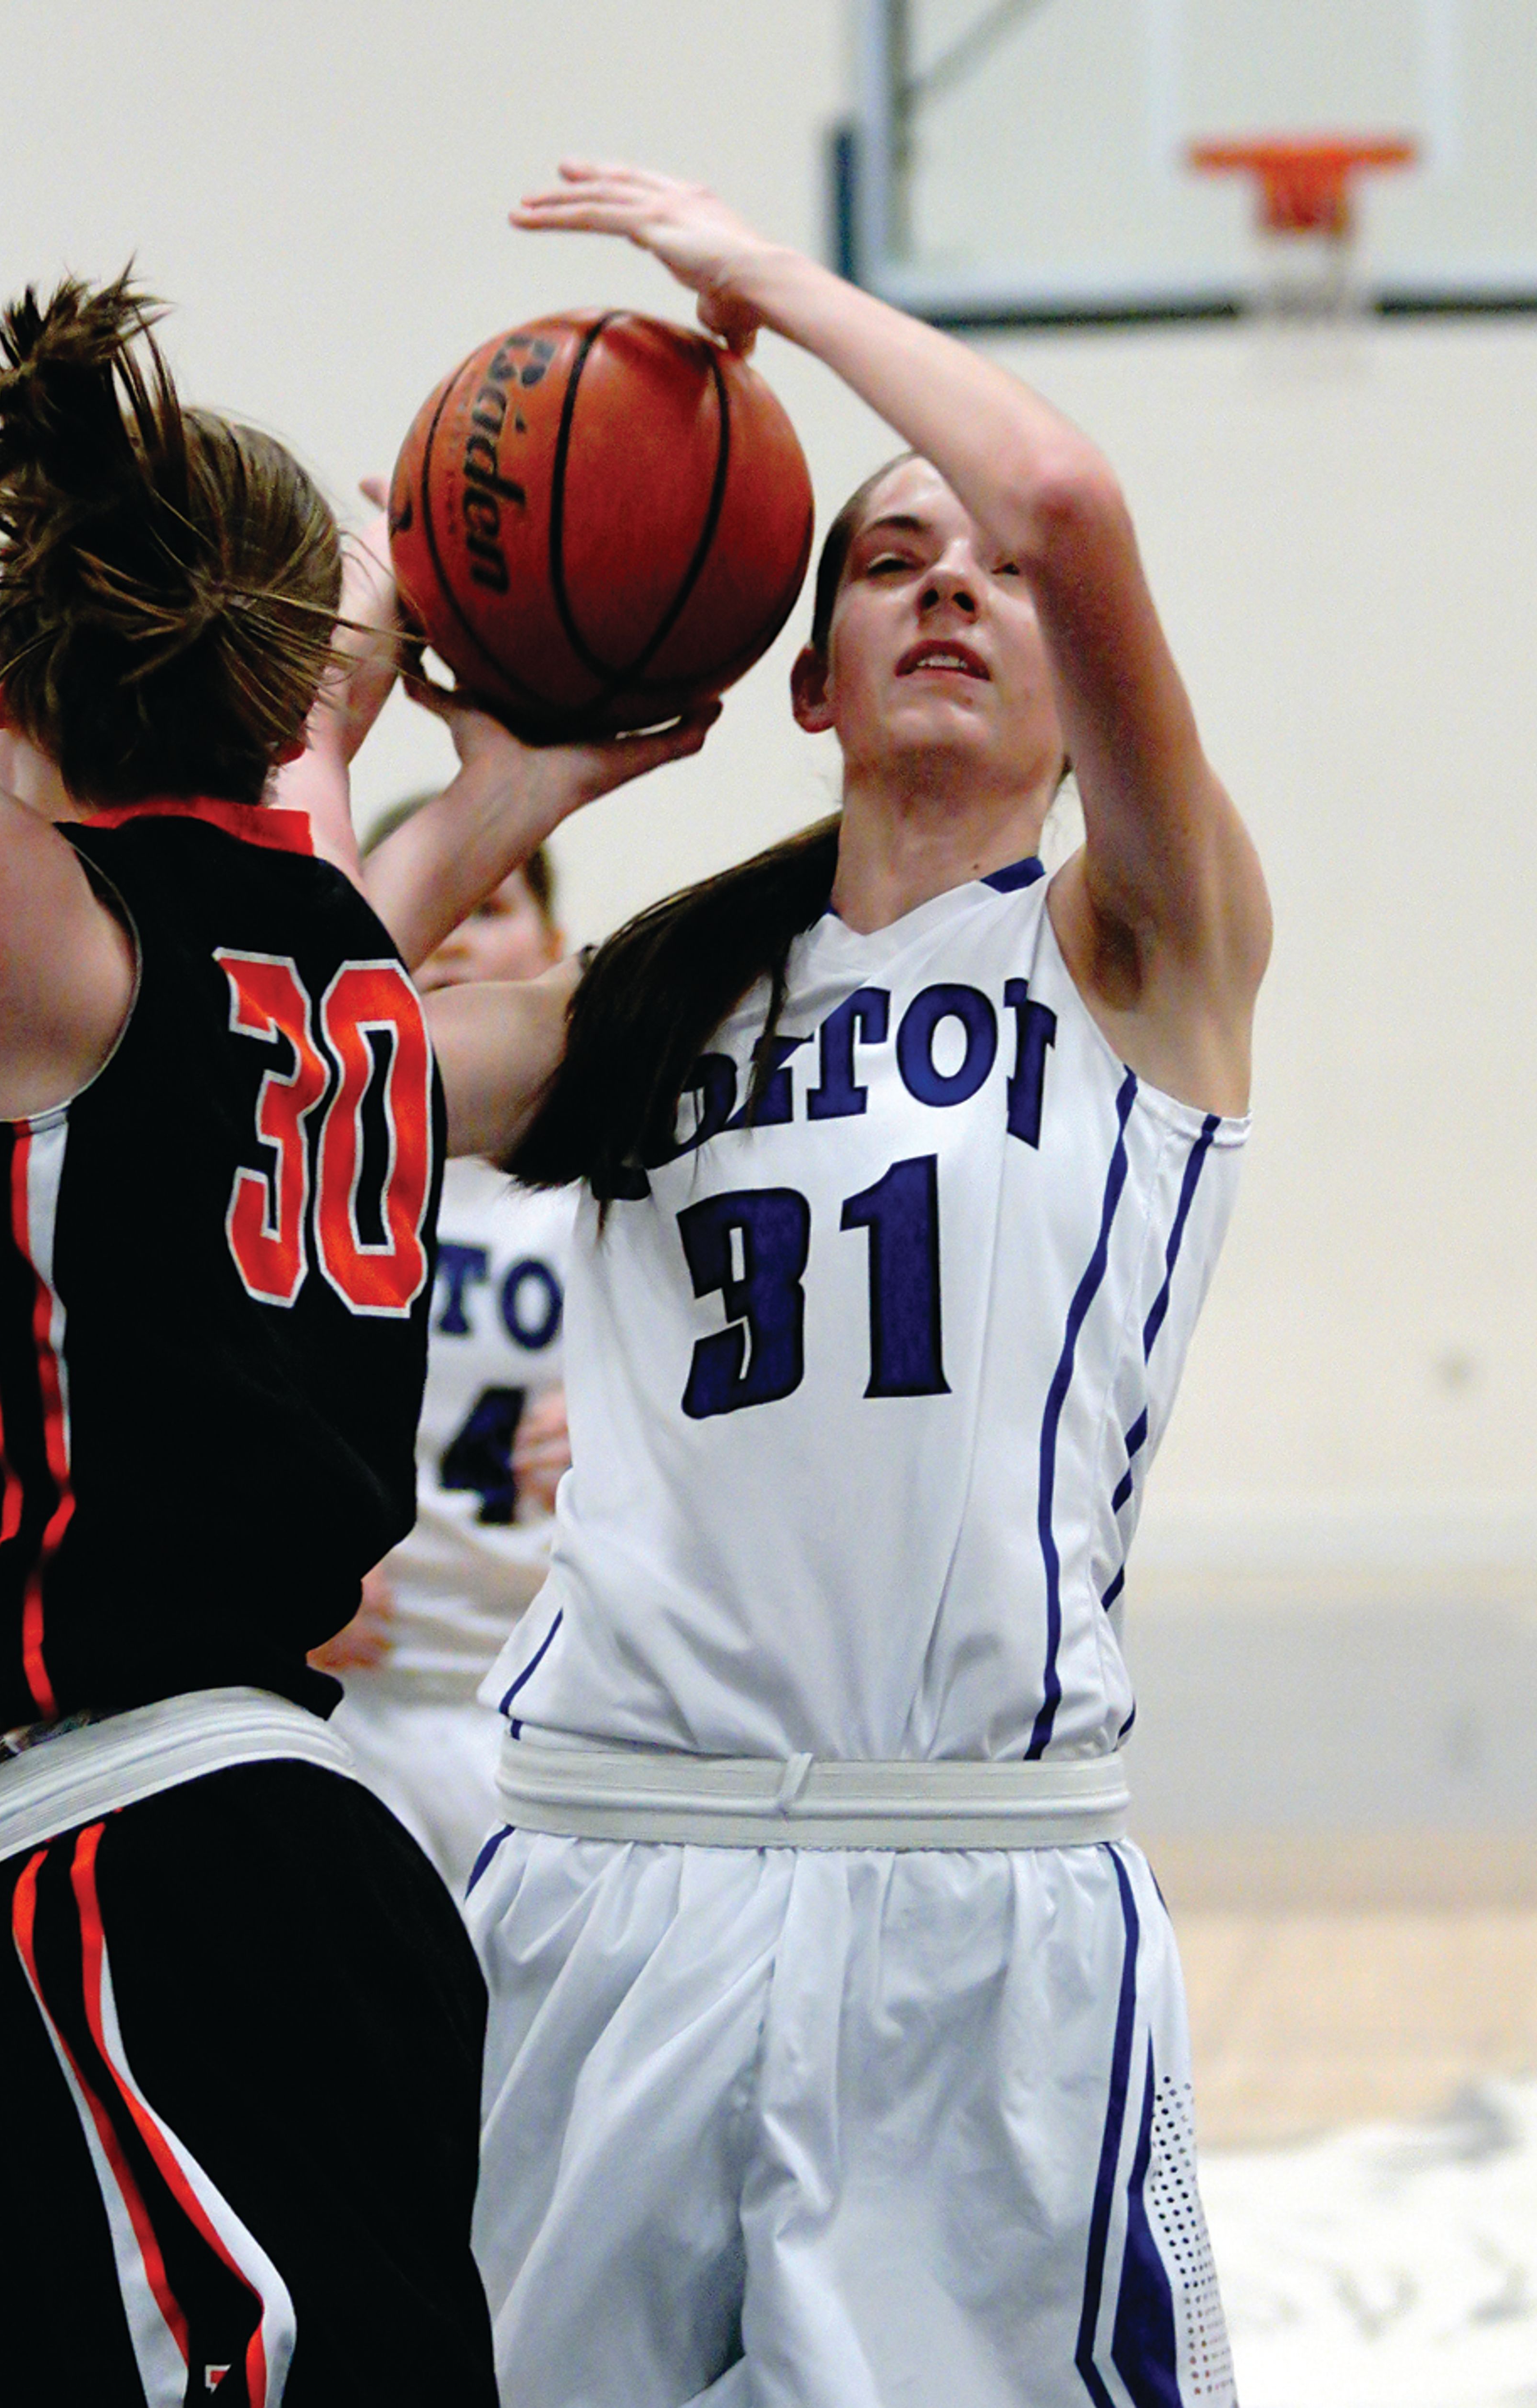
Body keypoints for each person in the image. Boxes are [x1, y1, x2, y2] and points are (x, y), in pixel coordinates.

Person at [0, 270, 708, 2404]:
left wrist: (468, 762)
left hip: (144, 1876)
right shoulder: (322, 955)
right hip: (270, 1867)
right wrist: (512, 773)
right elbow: (335, 855)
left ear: (1, 682)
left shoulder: (38, 950)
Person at [411, 165, 1270, 2408]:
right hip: (609, 1862)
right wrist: (501, 791)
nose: (953, 589)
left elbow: (1063, 497)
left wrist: (767, 291)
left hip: (970, 1907)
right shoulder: (645, 1001)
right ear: (799, 685)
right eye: (890, 566)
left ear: (1083, 695)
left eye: (979, 573)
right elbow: (271, 1067)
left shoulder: (1137, 959)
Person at [310, 811, 574, 1892]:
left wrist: (641, 1429)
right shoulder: (303, 1184)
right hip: (349, 1702)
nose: (456, 941)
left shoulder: (616, 1184)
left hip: (555, 1701)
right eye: (436, 912)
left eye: (495, 906)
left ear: (557, 947)